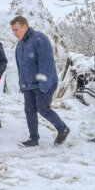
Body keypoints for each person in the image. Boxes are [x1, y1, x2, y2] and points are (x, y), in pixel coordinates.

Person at [11, 16, 70, 147]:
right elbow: (20, 66)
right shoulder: (20, 45)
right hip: (28, 85)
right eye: (13, 31)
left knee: (43, 109)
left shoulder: (39, 39)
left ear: (24, 26)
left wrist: (44, 84)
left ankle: (63, 129)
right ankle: (33, 138)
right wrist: (22, 83)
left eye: (16, 29)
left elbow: (47, 63)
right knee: (29, 111)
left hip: (43, 83)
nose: (14, 33)